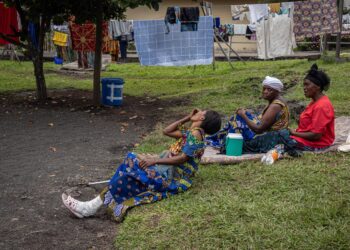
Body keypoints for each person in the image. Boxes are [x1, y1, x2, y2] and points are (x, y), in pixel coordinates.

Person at [62, 109, 221, 222]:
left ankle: (90, 207)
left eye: (201, 112)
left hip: (175, 180)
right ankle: (91, 206)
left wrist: (155, 160)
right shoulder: (192, 133)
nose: (198, 111)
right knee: (130, 165)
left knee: (132, 165)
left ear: (202, 119)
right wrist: (187, 117)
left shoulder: (195, 136)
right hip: (169, 173)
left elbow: (182, 159)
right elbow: (167, 131)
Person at [243, 63, 335, 154]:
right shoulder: (315, 102)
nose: (304, 88)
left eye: (307, 85)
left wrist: (294, 133)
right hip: (305, 140)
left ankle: (243, 147)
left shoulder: (322, 106)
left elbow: (316, 135)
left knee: (272, 138)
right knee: (273, 136)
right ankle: (245, 145)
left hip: (315, 144)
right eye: (304, 85)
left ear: (318, 86)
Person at [206, 76, 289, 152]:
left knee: (238, 119)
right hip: (274, 135)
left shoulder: (275, 106)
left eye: (269, 89)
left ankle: (223, 140)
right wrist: (247, 115)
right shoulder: (276, 101)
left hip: (272, 138)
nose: (265, 92)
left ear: (277, 91)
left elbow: (258, 129)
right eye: (264, 89)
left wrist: (244, 116)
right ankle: (221, 138)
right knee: (238, 118)